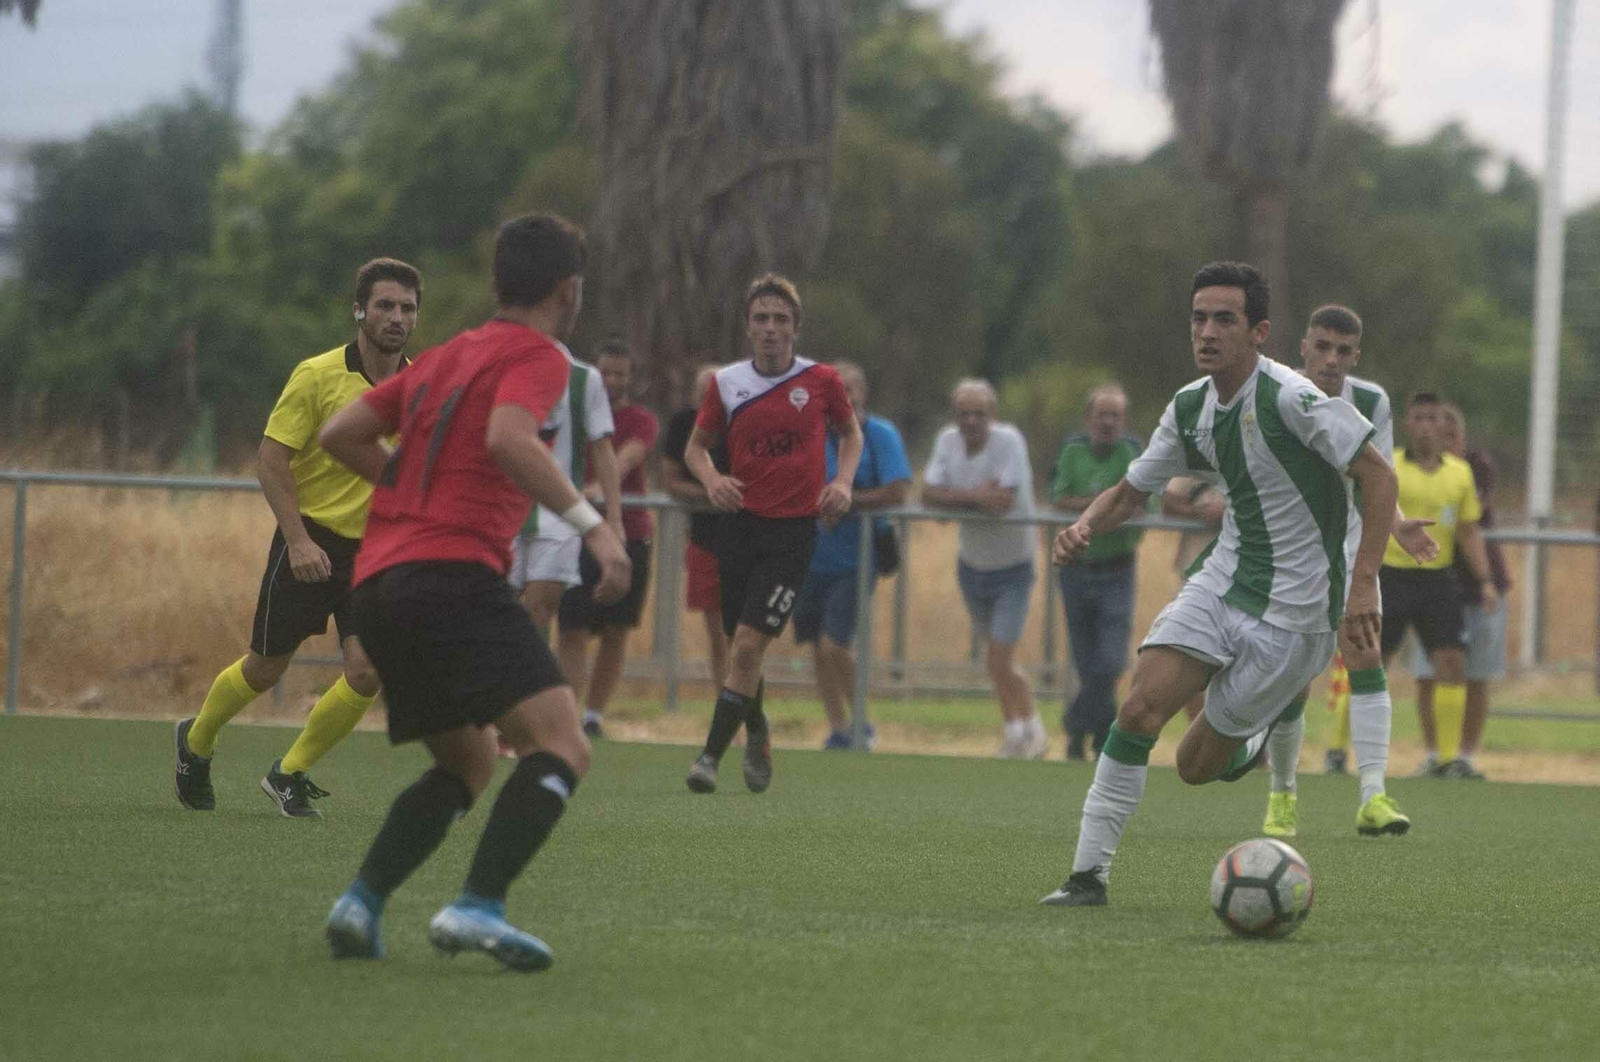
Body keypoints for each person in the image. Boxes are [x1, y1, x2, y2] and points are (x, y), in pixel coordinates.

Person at [316, 212, 630, 970]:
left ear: (495, 282)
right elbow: (507, 438)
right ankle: (477, 905)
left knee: (468, 764)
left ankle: (360, 902)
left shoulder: (444, 355)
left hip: (380, 586)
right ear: (569, 290)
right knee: (562, 745)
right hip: (452, 576)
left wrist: (408, 491)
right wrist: (595, 529)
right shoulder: (540, 354)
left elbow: (340, 434)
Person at [1040, 261, 1398, 908]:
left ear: (1258, 332)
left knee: (1194, 767)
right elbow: (1132, 490)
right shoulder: (1190, 407)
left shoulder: (1293, 399)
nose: (1207, 332)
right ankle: (1086, 877)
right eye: (1199, 318)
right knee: (1139, 708)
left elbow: (1379, 475)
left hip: (1297, 616)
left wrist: (1364, 582)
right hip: (1224, 580)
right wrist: (1085, 525)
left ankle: (1253, 738)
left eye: (1224, 319)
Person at [173, 258, 422, 819]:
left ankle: (289, 772)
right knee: (265, 669)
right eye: (384, 305)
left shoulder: (420, 386)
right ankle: (196, 739)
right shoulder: (316, 374)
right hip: (311, 538)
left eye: (407, 308)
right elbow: (270, 460)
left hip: (374, 553)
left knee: (367, 672)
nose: (396, 317)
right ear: (359, 311)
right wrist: (299, 539)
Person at [1254, 304, 1437, 840]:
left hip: (1352, 545)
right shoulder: (1278, 395)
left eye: (1343, 350)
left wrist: (1397, 525)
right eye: (1322, 347)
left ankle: (1373, 795)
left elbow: (1378, 477)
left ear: (1356, 355)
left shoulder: (1372, 401)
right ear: (1304, 348)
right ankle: (1283, 793)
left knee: (1365, 652)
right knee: (1294, 678)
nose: (1331, 359)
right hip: (1293, 551)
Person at [682, 274, 860, 794]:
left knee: (745, 647)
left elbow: (850, 434)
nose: (770, 328)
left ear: (795, 328)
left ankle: (709, 758)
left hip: (792, 535)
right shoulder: (726, 383)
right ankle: (757, 728)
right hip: (739, 528)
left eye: (780, 319)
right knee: (740, 648)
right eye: (761, 318)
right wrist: (713, 481)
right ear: (747, 327)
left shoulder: (821, 381)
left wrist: (843, 483)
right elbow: (696, 448)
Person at [791, 361, 911, 750]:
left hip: (856, 560)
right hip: (811, 556)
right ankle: (839, 729)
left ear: (864, 392)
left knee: (835, 644)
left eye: (852, 387)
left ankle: (864, 723)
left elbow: (897, 491)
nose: (847, 394)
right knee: (816, 647)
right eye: (838, 388)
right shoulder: (809, 434)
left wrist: (846, 501)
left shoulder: (880, 435)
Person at [923, 379, 1045, 758]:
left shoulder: (1009, 441)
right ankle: (1018, 731)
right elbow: (928, 494)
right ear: (953, 415)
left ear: (992, 415)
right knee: (995, 660)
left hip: (1014, 565)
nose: (971, 421)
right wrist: (977, 496)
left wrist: (954, 499)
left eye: (979, 413)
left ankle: (1029, 730)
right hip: (972, 565)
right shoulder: (946, 442)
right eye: (963, 413)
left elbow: (1003, 500)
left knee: (999, 658)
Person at [1379, 391, 1498, 778]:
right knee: (1368, 663)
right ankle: (1337, 751)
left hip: (1437, 581)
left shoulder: (1459, 473)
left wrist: (1485, 581)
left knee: (1450, 663)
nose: (1426, 427)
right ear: (1407, 424)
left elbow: (1468, 531)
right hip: (1391, 575)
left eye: (1432, 419)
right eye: (1419, 418)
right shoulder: (1388, 465)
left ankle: (1449, 760)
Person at [555, 339, 659, 739]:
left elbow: (629, 455)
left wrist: (602, 487)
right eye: (606, 373)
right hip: (578, 532)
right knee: (572, 627)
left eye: (620, 374)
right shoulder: (573, 414)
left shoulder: (641, 420)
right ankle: (566, 715)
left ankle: (594, 716)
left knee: (617, 628)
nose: (612, 380)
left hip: (628, 533)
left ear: (632, 378)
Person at [1411, 401, 1512, 779]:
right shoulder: (1412, 467)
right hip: (1432, 584)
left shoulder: (1475, 467)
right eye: (1439, 435)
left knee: (1476, 674)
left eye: (1452, 435)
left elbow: (1464, 515)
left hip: (1478, 588)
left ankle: (1465, 756)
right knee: (1428, 674)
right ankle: (1435, 753)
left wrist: (1487, 583)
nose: (1446, 442)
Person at [1049, 384, 1142, 760]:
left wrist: (1092, 509)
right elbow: (1059, 499)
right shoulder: (1072, 451)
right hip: (1076, 568)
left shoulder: (1131, 453)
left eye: (1116, 416)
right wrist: (1106, 503)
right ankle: (1098, 735)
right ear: (1088, 418)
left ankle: (1074, 723)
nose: (1108, 422)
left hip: (1118, 569)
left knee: (1111, 660)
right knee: (1087, 662)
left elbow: (1141, 503)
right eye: (1102, 415)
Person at [507, 340, 620, 632]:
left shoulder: (585, 378)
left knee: (539, 612)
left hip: (560, 516)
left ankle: (532, 662)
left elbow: (603, 448)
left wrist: (614, 519)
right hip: (503, 511)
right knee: (494, 611)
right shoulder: (501, 365)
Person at [662, 364, 732, 692]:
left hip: (746, 540)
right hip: (704, 540)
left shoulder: (743, 423)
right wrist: (714, 490)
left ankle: (746, 704)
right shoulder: (682, 424)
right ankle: (725, 705)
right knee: (717, 634)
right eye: (704, 395)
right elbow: (671, 482)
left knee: (744, 635)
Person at [1159, 476, 1225, 724]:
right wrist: (1198, 512)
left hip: (1244, 581)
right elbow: (1168, 501)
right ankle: (1203, 733)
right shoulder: (1200, 457)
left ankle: (1238, 738)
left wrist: (1232, 511)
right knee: (1186, 663)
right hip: (1194, 578)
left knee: (1239, 668)